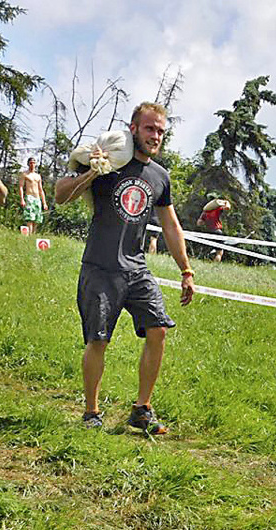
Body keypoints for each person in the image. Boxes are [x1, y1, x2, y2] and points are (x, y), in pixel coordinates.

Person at [55, 102, 195, 432]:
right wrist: (93, 171)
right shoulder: (111, 161)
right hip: (100, 267)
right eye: (149, 128)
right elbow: (61, 195)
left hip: (136, 268)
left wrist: (186, 271)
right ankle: (91, 412)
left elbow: (171, 225)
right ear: (134, 129)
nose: (156, 135)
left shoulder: (160, 177)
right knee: (98, 339)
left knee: (158, 329)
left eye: (161, 130)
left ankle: (142, 409)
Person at [19, 157, 48, 235]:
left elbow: (41, 190)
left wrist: (44, 202)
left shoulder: (38, 176)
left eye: (34, 163)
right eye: (31, 163)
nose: (32, 164)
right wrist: (22, 199)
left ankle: (33, 235)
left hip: (37, 198)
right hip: (29, 197)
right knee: (30, 217)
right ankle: (29, 235)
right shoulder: (25, 174)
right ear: (28, 164)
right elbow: (21, 187)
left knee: (37, 218)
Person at [198, 194, 231, 262]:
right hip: (217, 231)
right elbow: (227, 207)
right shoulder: (217, 210)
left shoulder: (205, 212)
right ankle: (215, 264)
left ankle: (206, 261)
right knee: (219, 251)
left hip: (208, 232)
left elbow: (199, 223)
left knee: (209, 249)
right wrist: (226, 202)